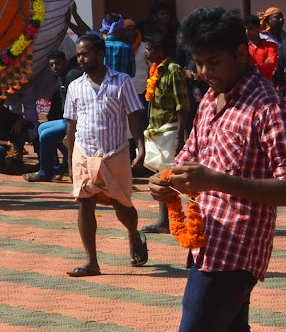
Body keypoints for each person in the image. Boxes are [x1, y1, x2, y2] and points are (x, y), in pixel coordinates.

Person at [147, 7, 286, 332]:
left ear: (240, 52)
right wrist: (163, 180)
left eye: (213, 62)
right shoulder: (210, 103)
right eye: (199, 63)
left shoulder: (270, 107)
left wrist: (215, 180)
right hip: (206, 245)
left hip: (235, 251)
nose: (205, 72)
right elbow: (189, 159)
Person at [60, 32, 148, 276]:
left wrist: (140, 147)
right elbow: (71, 124)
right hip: (83, 153)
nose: (80, 59)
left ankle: (133, 235)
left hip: (115, 153)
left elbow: (133, 115)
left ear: (100, 54)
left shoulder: (121, 82)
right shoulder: (75, 86)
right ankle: (92, 262)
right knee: (84, 204)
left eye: (85, 54)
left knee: (123, 205)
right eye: (78, 55)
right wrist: (69, 161)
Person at [142, 32, 195, 235]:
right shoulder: (155, 69)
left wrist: (181, 136)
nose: (146, 52)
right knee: (161, 177)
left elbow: (182, 105)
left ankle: (178, 219)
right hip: (156, 130)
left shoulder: (173, 70)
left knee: (169, 177)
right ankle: (164, 220)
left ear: (161, 51)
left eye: (149, 49)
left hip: (171, 130)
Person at [26, 50, 83, 184]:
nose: (55, 67)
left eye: (57, 64)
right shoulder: (60, 77)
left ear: (65, 63)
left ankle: (44, 173)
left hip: (76, 120)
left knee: (46, 135)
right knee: (42, 128)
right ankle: (55, 168)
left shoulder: (72, 76)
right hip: (66, 119)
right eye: (51, 65)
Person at [243, 14, 279, 83]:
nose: (247, 32)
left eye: (250, 28)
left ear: (259, 29)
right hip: (248, 85)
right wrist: (263, 65)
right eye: (245, 29)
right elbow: (241, 68)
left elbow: (271, 66)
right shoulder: (243, 48)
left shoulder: (271, 46)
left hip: (266, 85)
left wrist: (250, 68)